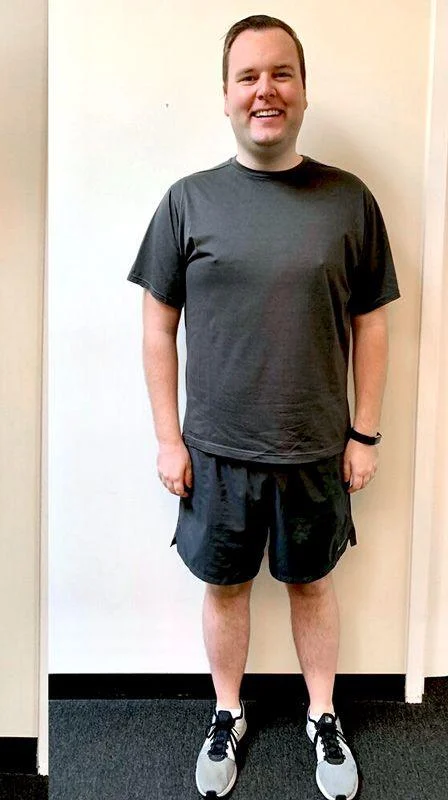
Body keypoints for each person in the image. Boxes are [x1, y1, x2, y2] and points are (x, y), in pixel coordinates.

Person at [128, 14, 398, 800]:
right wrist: (166, 439)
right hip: (214, 449)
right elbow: (156, 323)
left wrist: (365, 433)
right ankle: (227, 711)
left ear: (304, 91)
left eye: (281, 73)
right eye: (248, 76)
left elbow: (372, 322)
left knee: (313, 584)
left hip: (316, 445)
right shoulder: (187, 201)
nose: (265, 90)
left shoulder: (349, 200)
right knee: (226, 586)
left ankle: (322, 715)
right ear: (224, 95)